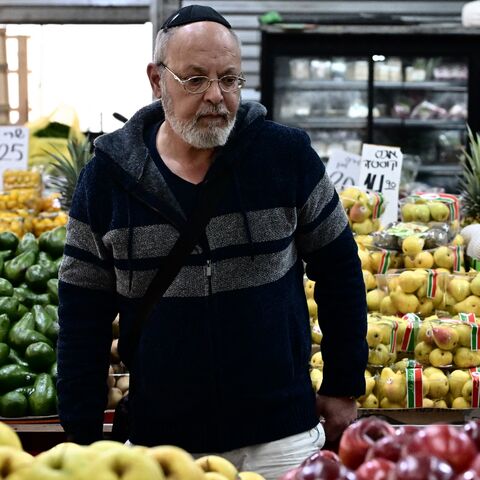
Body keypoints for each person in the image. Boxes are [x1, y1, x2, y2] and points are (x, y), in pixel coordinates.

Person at [57, 4, 368, 478]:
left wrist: (343, 382)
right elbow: (82, 315)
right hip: (161, 445)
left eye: (229, 79)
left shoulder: (285, 156)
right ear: (157, 80)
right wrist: (80, 438)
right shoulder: (106, 180)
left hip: (280, 437)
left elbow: (340, 269)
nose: (216, 97)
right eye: (196, 79)